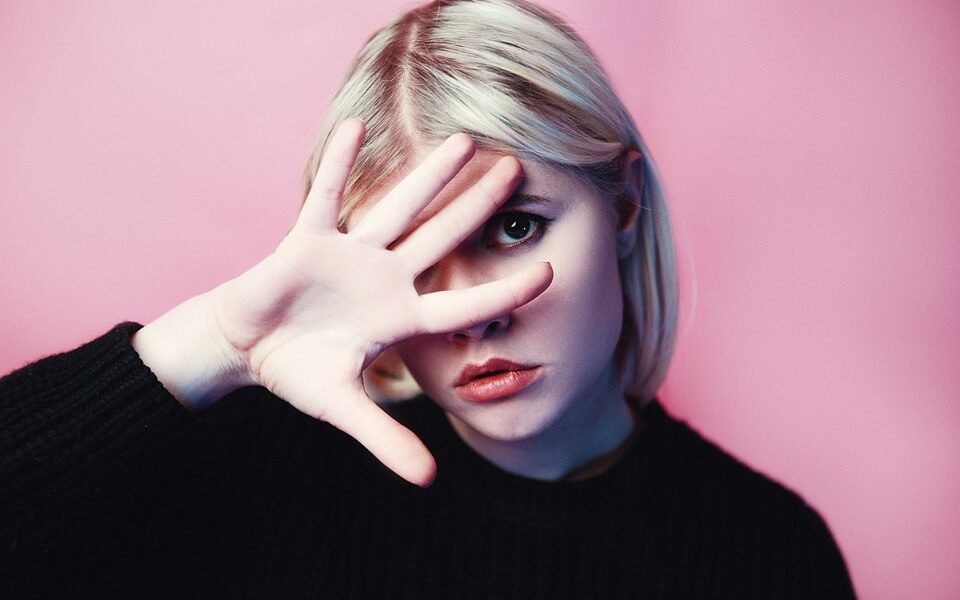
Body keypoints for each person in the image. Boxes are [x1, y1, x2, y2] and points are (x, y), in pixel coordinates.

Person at [0, 0, 856, 597]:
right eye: (410, 257)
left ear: (625, 208)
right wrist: (210, 345)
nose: (473, 312)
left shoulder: (767, 553)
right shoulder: (258, 472)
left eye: (514, 227)